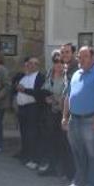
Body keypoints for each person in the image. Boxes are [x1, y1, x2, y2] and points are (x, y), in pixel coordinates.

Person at [61, 46, 94, 186]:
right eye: (79, 57)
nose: (81, 60)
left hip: (91, 119)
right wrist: (64, 116)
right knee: (78, 153)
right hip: (74, 119)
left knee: (93, 154)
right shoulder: (76, 73)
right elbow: (69, 97)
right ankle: (80, 182)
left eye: (85, 57)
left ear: (93, 57)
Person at [39, 49, 70, 178]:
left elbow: (66, 94)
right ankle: (51, 166)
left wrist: (56, 99)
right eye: (56, 61)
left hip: (61, 112)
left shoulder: (67, 76)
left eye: (61, 61)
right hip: (49, 113)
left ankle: (62, 169)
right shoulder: (49, 74)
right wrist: (46, 97)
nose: (58, 64)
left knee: (62, 142)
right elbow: (43, 89)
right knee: (50, 140)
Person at [14, 57, 47, 170]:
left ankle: (34, 158)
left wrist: (25, 90)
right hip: (22, 108)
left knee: (32, 134)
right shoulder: (24, 76)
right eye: (29, 63)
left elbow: (39, 94)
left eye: (34, 64)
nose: (31, 65)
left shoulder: (40, 77)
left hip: (33, 109)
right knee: (24, 134)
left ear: (38, 66)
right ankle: (26, 155)